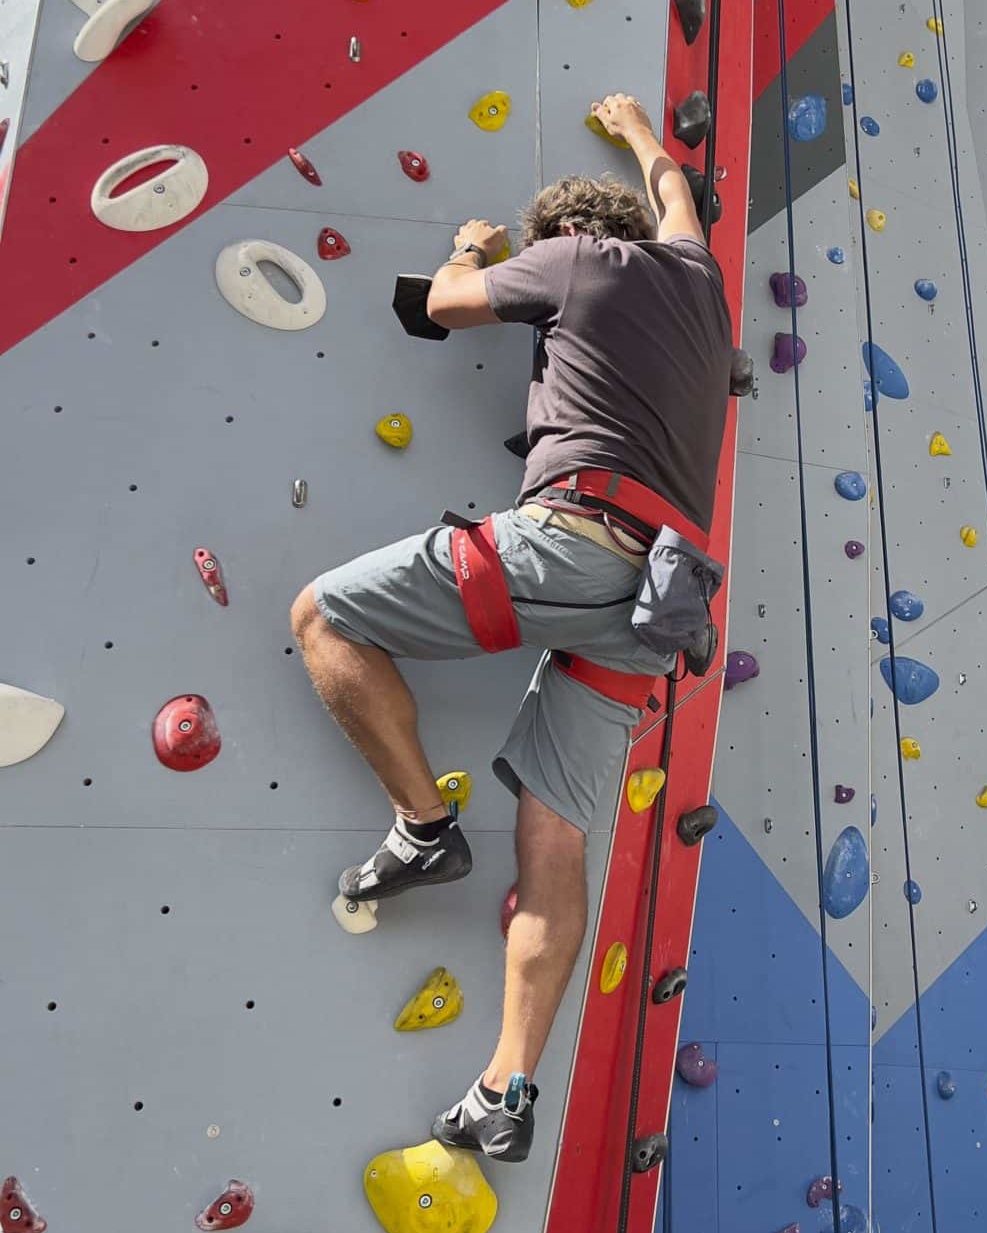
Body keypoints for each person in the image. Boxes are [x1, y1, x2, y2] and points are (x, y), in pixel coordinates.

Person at [288, 92, 733, 1163]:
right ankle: (507, 1086)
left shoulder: (575, 261)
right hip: (654, 607)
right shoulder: (702, 286)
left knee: (323, 613)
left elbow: (446, 304)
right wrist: (636, 130)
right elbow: (679, 196)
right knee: (556, 839)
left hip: (571, 541)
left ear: (568, 241)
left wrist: (470, 249)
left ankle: (421, 828)